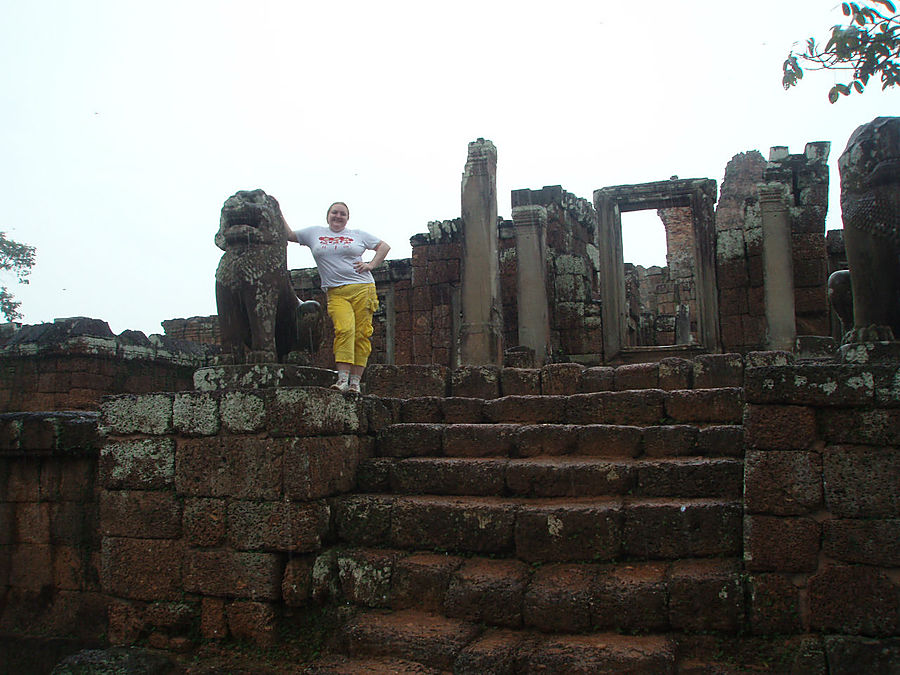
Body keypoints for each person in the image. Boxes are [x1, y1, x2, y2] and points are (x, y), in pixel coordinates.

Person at [285, 201, 390, 393]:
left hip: (362, 288)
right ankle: (342, 379)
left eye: (342, 214)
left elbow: (383, 246)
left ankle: (355, 383)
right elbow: (289, 235)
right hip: (335, 292)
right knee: (344, 329)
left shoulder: (357, 235)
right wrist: (277, 210)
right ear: (328, 215)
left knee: (361, 334)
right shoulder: (314, 233)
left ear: (347, 218)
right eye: (335, 213)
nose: (338, 217)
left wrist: (371, 265)